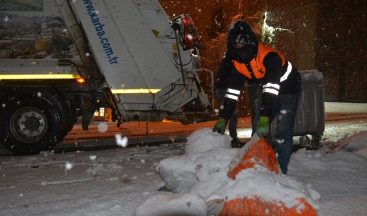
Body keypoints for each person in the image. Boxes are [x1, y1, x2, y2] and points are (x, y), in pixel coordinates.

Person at [212, 20, 301, 174]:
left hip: (288, 88)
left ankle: (281, 171)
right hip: (270, 88)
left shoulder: (269, 57)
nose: (241, 53)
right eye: (237, 49)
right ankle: (258, 167)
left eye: (243, 48)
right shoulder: (238, 63)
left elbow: (271, 89)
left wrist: (266, 117)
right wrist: (223, 118)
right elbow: (232, 92)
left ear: (251, 44)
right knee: (258, 132)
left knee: (283, 130)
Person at [214, 56, 242, 148]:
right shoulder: (232, 61)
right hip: (225, 89)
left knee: (227, 112)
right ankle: (230, 138)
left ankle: (220, 136)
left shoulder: (227, 60)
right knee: (231, 113)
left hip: (222, 88)